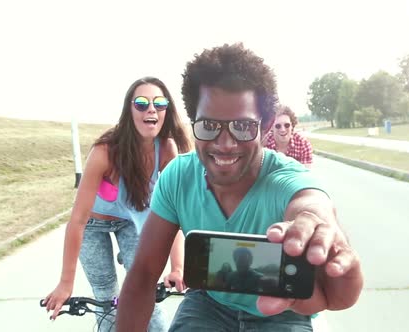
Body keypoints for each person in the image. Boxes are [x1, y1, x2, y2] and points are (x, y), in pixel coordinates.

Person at [115, 44, 363, 331]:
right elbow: (143, 274)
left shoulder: (287, 179)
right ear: (192, 121)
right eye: (208, 125)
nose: (225, 143)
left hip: (283, 309)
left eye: (243, 126)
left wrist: (317, 223)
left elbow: (311, 203)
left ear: (267, 124)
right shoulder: (178, 177)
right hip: (208, 304)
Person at [43, 76, 192, 331]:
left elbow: (173, 214)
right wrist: (66, 283)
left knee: (144, 286)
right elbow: (77, 220)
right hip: (92, 224)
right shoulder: (105, 152)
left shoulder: (166, 149)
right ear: (129, 110)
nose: (151, 109)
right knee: (105, 295)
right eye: (141, 103)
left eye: (160, 103)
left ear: (167, 110)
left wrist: (177, 268)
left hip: (130, 223)